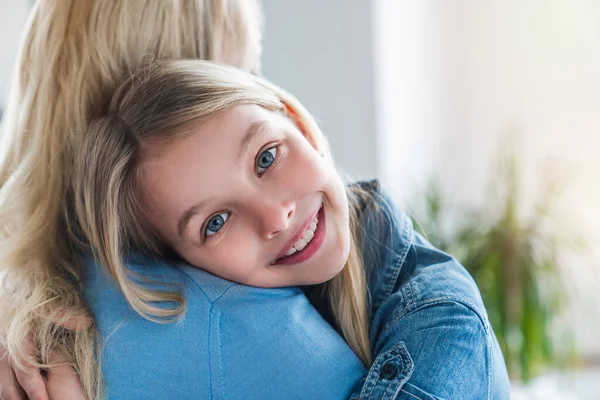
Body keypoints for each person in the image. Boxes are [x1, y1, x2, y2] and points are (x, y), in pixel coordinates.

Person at [0, 2, 512, 400]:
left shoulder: (423, 296)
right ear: (172, 256)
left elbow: (450, 325)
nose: (276, 216)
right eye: (216, 222)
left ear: (290, 113)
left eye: (266, 157)